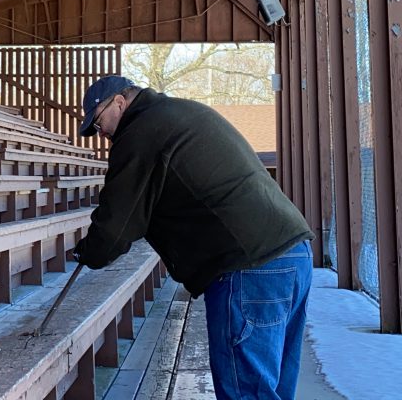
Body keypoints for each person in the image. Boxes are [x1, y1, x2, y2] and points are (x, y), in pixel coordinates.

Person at [71, 75, 313, 400]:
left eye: (98, 122)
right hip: (292, 254)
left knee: (247, 394)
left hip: (249, 268)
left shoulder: (140, 131)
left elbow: (115, 227)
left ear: (119, 102)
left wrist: (87, 252)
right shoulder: (176, 113)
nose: (100, 134)